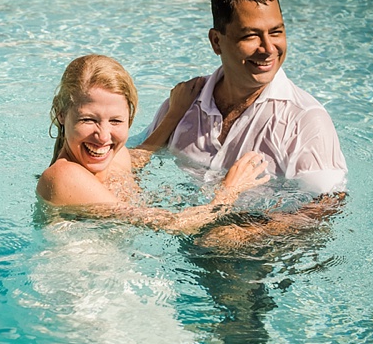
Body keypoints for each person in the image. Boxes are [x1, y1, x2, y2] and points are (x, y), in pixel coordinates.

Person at [144, 0, 347, 196]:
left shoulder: (304, 121)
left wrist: (242, 232)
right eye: (251, 36)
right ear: (216, 42)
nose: (268, 48)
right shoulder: (182, 104)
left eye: (276, 32)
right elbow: (125, 168)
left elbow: (325, 205)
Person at [36, 54, 269, 235]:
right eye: (88, 120)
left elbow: (140, 156)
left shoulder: (113, 156)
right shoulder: (63, 176)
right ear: (60, 114)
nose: (103, 137)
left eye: (116, 121)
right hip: (74, 289)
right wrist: (229, 191)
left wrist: (175, 113)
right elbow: (176, 225)